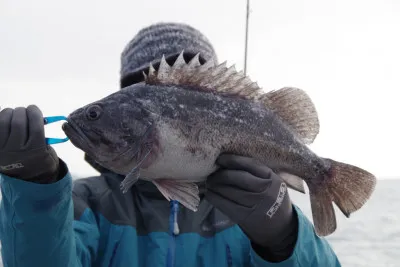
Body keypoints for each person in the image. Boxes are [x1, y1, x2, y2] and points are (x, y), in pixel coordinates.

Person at [0, 22, 341, 267]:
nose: (174, 100)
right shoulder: (86, 204)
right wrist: (35, 190)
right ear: (128, 96)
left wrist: (282, 239)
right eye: (145, 85)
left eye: (193, 84)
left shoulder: (252, 213)